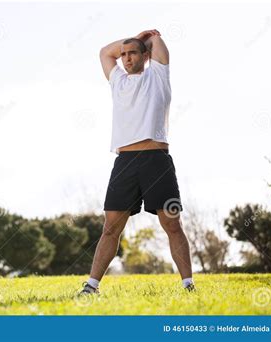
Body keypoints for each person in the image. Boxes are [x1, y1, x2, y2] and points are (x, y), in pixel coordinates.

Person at [79, 29, 195, 295]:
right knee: (110, 228)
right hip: (125, 162)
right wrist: (132, 39)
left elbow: (157, 43)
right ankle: (91, 286)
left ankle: (188, 285)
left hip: (157, 160)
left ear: (145, 55)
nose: (127, 58)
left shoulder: (158, 76)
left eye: (133, 53)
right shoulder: (118, 80)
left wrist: (146, 39)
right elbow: (104, 52)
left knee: (173, 224)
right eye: (124, 55)